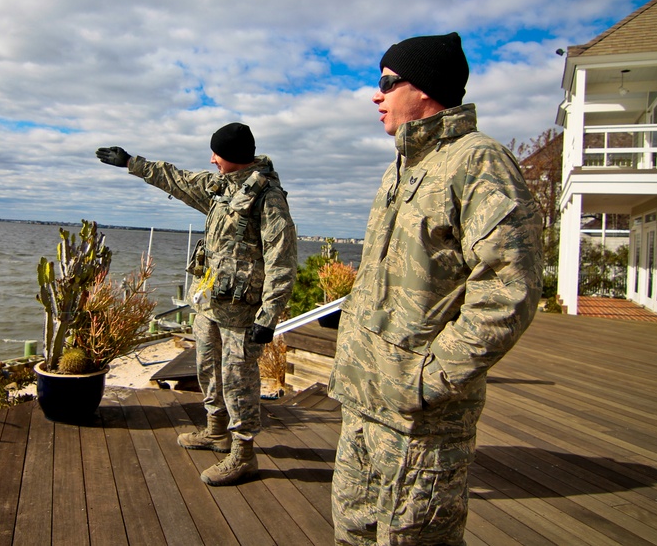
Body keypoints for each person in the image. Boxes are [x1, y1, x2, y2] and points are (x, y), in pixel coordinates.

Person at [328, 33, 544, 545]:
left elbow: (510, 288)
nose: (375, 96)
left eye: (385, 83)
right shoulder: (402, 167)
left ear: (423, 89)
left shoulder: (478, 162)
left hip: (419, 423)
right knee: (351, 534)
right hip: (364, 402)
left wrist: (431, 378)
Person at [96, 122, 297, 486]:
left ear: (234, 157)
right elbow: (177, 178)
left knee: (238, 380)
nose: (212, 160)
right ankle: (216, 430)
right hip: (210, 303)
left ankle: (243, 454)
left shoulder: (268, 198)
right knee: (207, 368)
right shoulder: (220, 186)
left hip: (242, 312)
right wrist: (131, 162)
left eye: (217, 154)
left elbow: (282, 260)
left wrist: (268, 316)